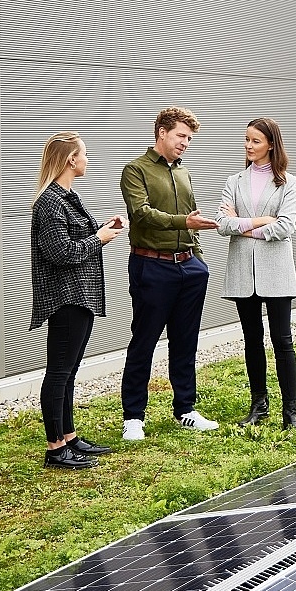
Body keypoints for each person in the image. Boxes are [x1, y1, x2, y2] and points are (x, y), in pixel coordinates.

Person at [118, 107, 220, 440]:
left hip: (189, 267)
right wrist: (184, 223)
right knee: (144, 340)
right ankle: (133, 416)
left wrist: (198, 260)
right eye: (181, 136)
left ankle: (185, 410)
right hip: (152, 266)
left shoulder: (183, 173)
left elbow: (192, 219)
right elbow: (141, 214)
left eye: (189, 138)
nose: (185, 143)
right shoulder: (135, 170)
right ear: (162, 132)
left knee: (185, 341)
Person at [30, 132, 125, 469]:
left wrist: (103, 229)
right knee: (58, 372)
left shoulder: (67, 197)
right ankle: (55, 449)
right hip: (65, 297)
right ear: (71, 159)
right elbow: (60, 252)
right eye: (84, 154)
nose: (88, 160)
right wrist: (98, 238)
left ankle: (69, 437)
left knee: (70, 371)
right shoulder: (50, 202)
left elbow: (76, 238)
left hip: (80, 295)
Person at [215, 118, 296, 430]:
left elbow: (285, 226)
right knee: (252, 340)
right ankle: (259, 404)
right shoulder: (234, 181)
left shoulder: (287, 183)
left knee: (282, 341)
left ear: (270, 144)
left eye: (255, 141)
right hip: (242, 271)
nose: (248, 146)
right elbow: (222, 224)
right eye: (247, 140)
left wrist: (245, 226)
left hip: (276, 272)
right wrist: (261, 220)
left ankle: (290, 412)